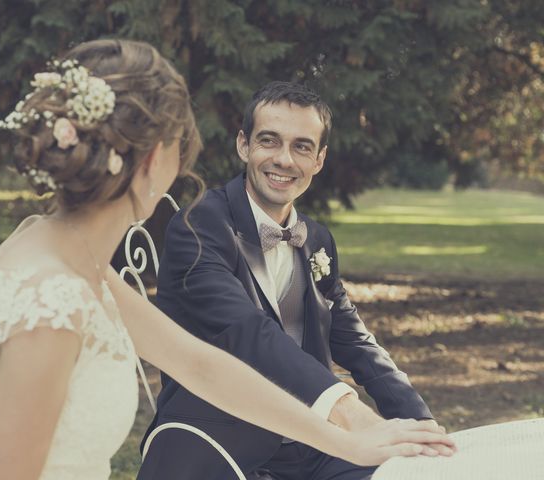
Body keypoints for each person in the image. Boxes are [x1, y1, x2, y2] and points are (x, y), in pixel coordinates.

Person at [0, 41, 453, 480]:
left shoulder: (78, 265)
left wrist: (351, 435)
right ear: (155, 159)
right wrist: (349, 421)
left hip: (305, 441)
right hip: (208, 441)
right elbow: (242, 337)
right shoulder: (55, 301)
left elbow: (201, 363)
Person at [138, 81, 453, 480]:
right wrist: (348, 411)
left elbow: (355, 341)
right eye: (269, 141)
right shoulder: (198, 224)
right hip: (216, 442)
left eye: (301, 146)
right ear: (243, 145)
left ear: (319, 160)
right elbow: (245, 331)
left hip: (315, 446)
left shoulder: (318, 239)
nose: (284, 159)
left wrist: (422, 426)